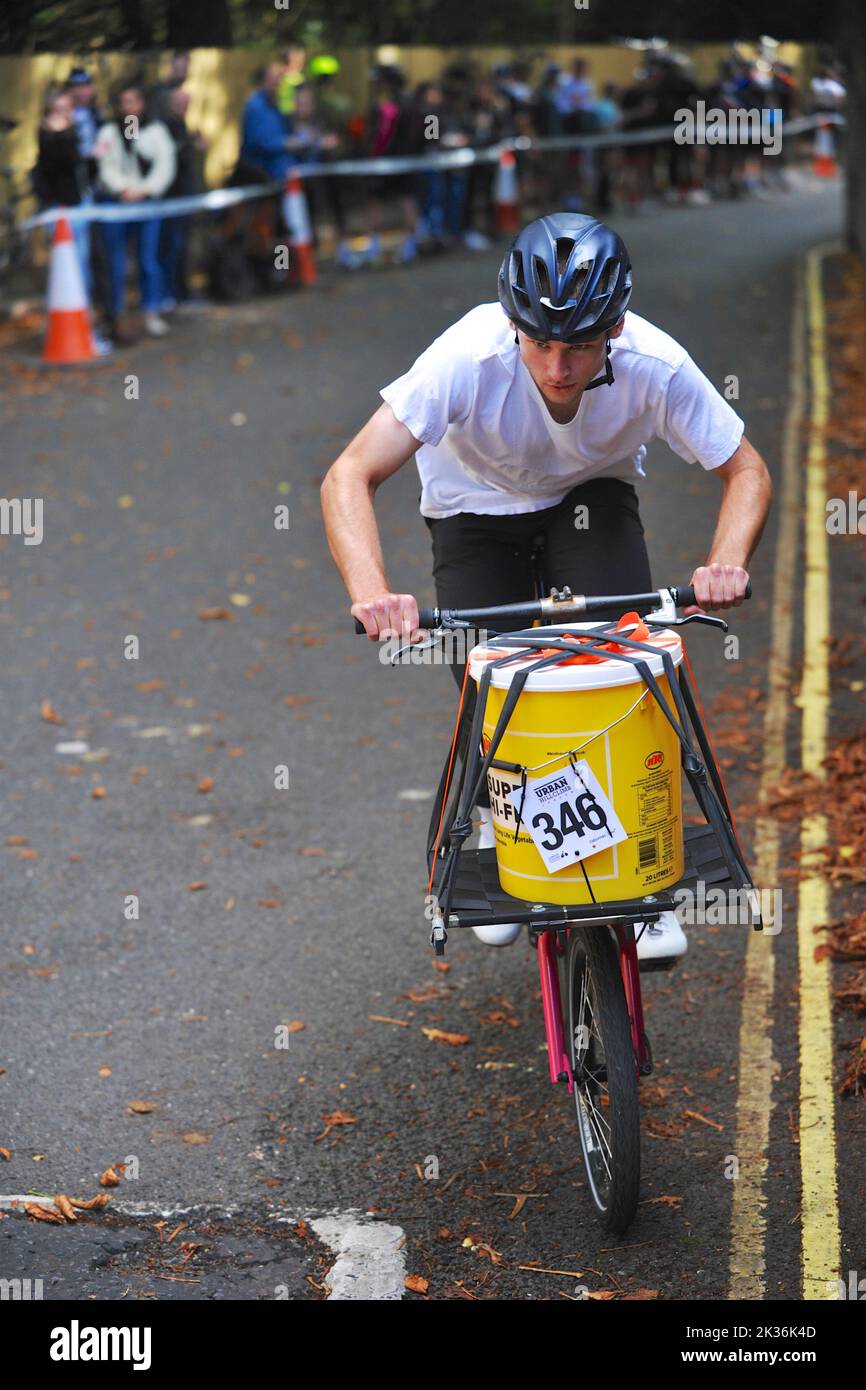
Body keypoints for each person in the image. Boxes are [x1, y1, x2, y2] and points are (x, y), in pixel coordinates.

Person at [321, 213, 772, 958]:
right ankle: (505, 831)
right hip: (474, 510)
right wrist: (374, 593)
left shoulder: (657, 364)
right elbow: (350, 473)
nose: (559, 367)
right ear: (511, 323)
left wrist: (725, 562)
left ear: (616, 328)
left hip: (588, 498)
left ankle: (645, 870)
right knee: (496, 683)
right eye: (541, 344)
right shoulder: (465, 357)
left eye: (582, 346)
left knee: (627, 662)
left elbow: (746, 469)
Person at [93, 83, 176, 342]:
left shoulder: (156, 131)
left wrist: (145, 189)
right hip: (118, 206)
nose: (129, 107)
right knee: (116, 261)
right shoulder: (108, 132)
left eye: (133, 101)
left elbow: (164, 166)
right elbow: (106, 167)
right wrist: (123, 189)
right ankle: (116, 315)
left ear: (142, 104)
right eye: (124, 102)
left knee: (148, 259)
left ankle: (151, 310)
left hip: (147, 204)